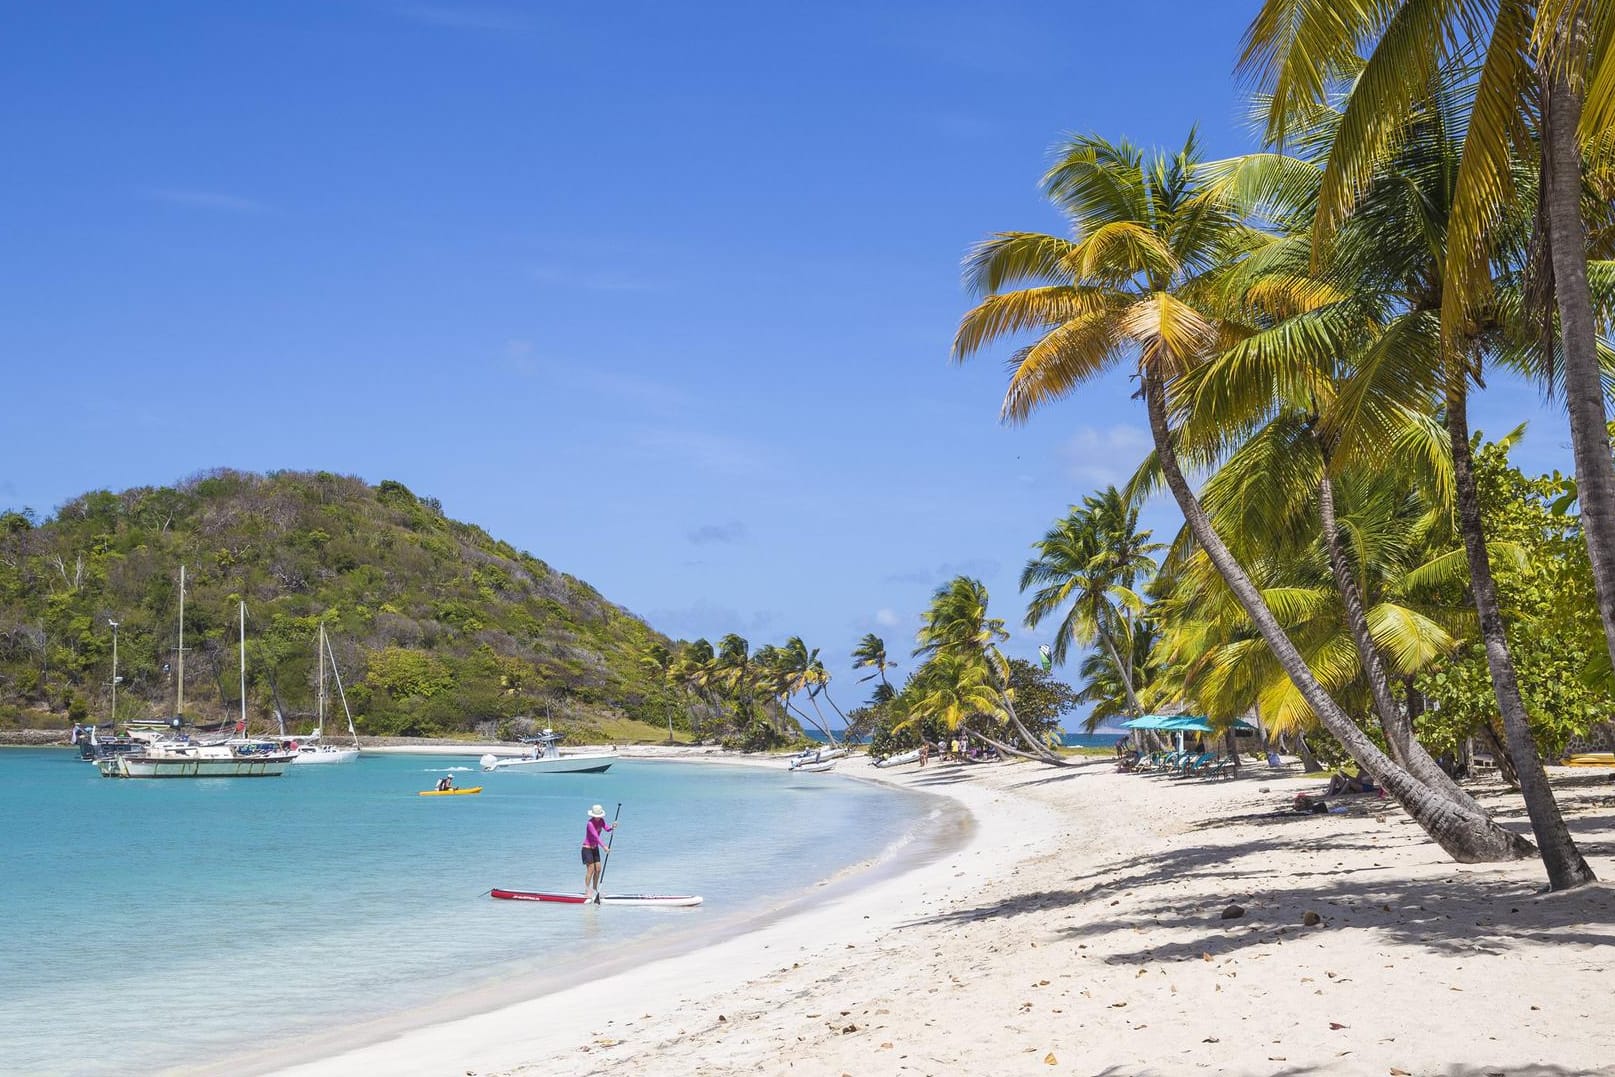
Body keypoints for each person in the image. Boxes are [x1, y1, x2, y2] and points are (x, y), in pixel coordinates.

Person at [582, 803, 615, 900]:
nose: (598, 818)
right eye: (596, 816)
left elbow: (607, 829)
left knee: (598, 869)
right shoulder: (590, 824)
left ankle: (595, 889)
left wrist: (612, 827)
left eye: (599, 816)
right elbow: (596, 837)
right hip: (587, 848)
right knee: (591, 869)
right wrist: (604, 847)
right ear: (593, 815)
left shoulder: (601, 821)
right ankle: (587, 890)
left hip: (595, 848)